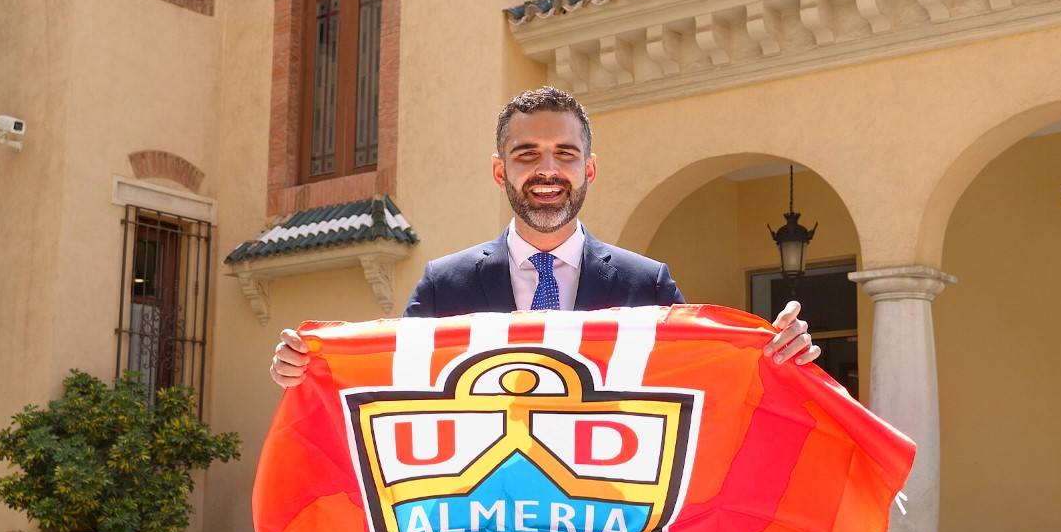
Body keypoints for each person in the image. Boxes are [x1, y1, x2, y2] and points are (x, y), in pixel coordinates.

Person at [271, 87, 819, 388]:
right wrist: (313, 370)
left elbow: (703, 377)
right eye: (526, 154)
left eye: (565, 154)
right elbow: (391, 379)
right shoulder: (446, 284)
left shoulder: (643, 283)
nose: (547, 170)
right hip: (482, 521)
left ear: (590, 169)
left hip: (606, 527)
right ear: (499, 170)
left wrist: (769, 357)